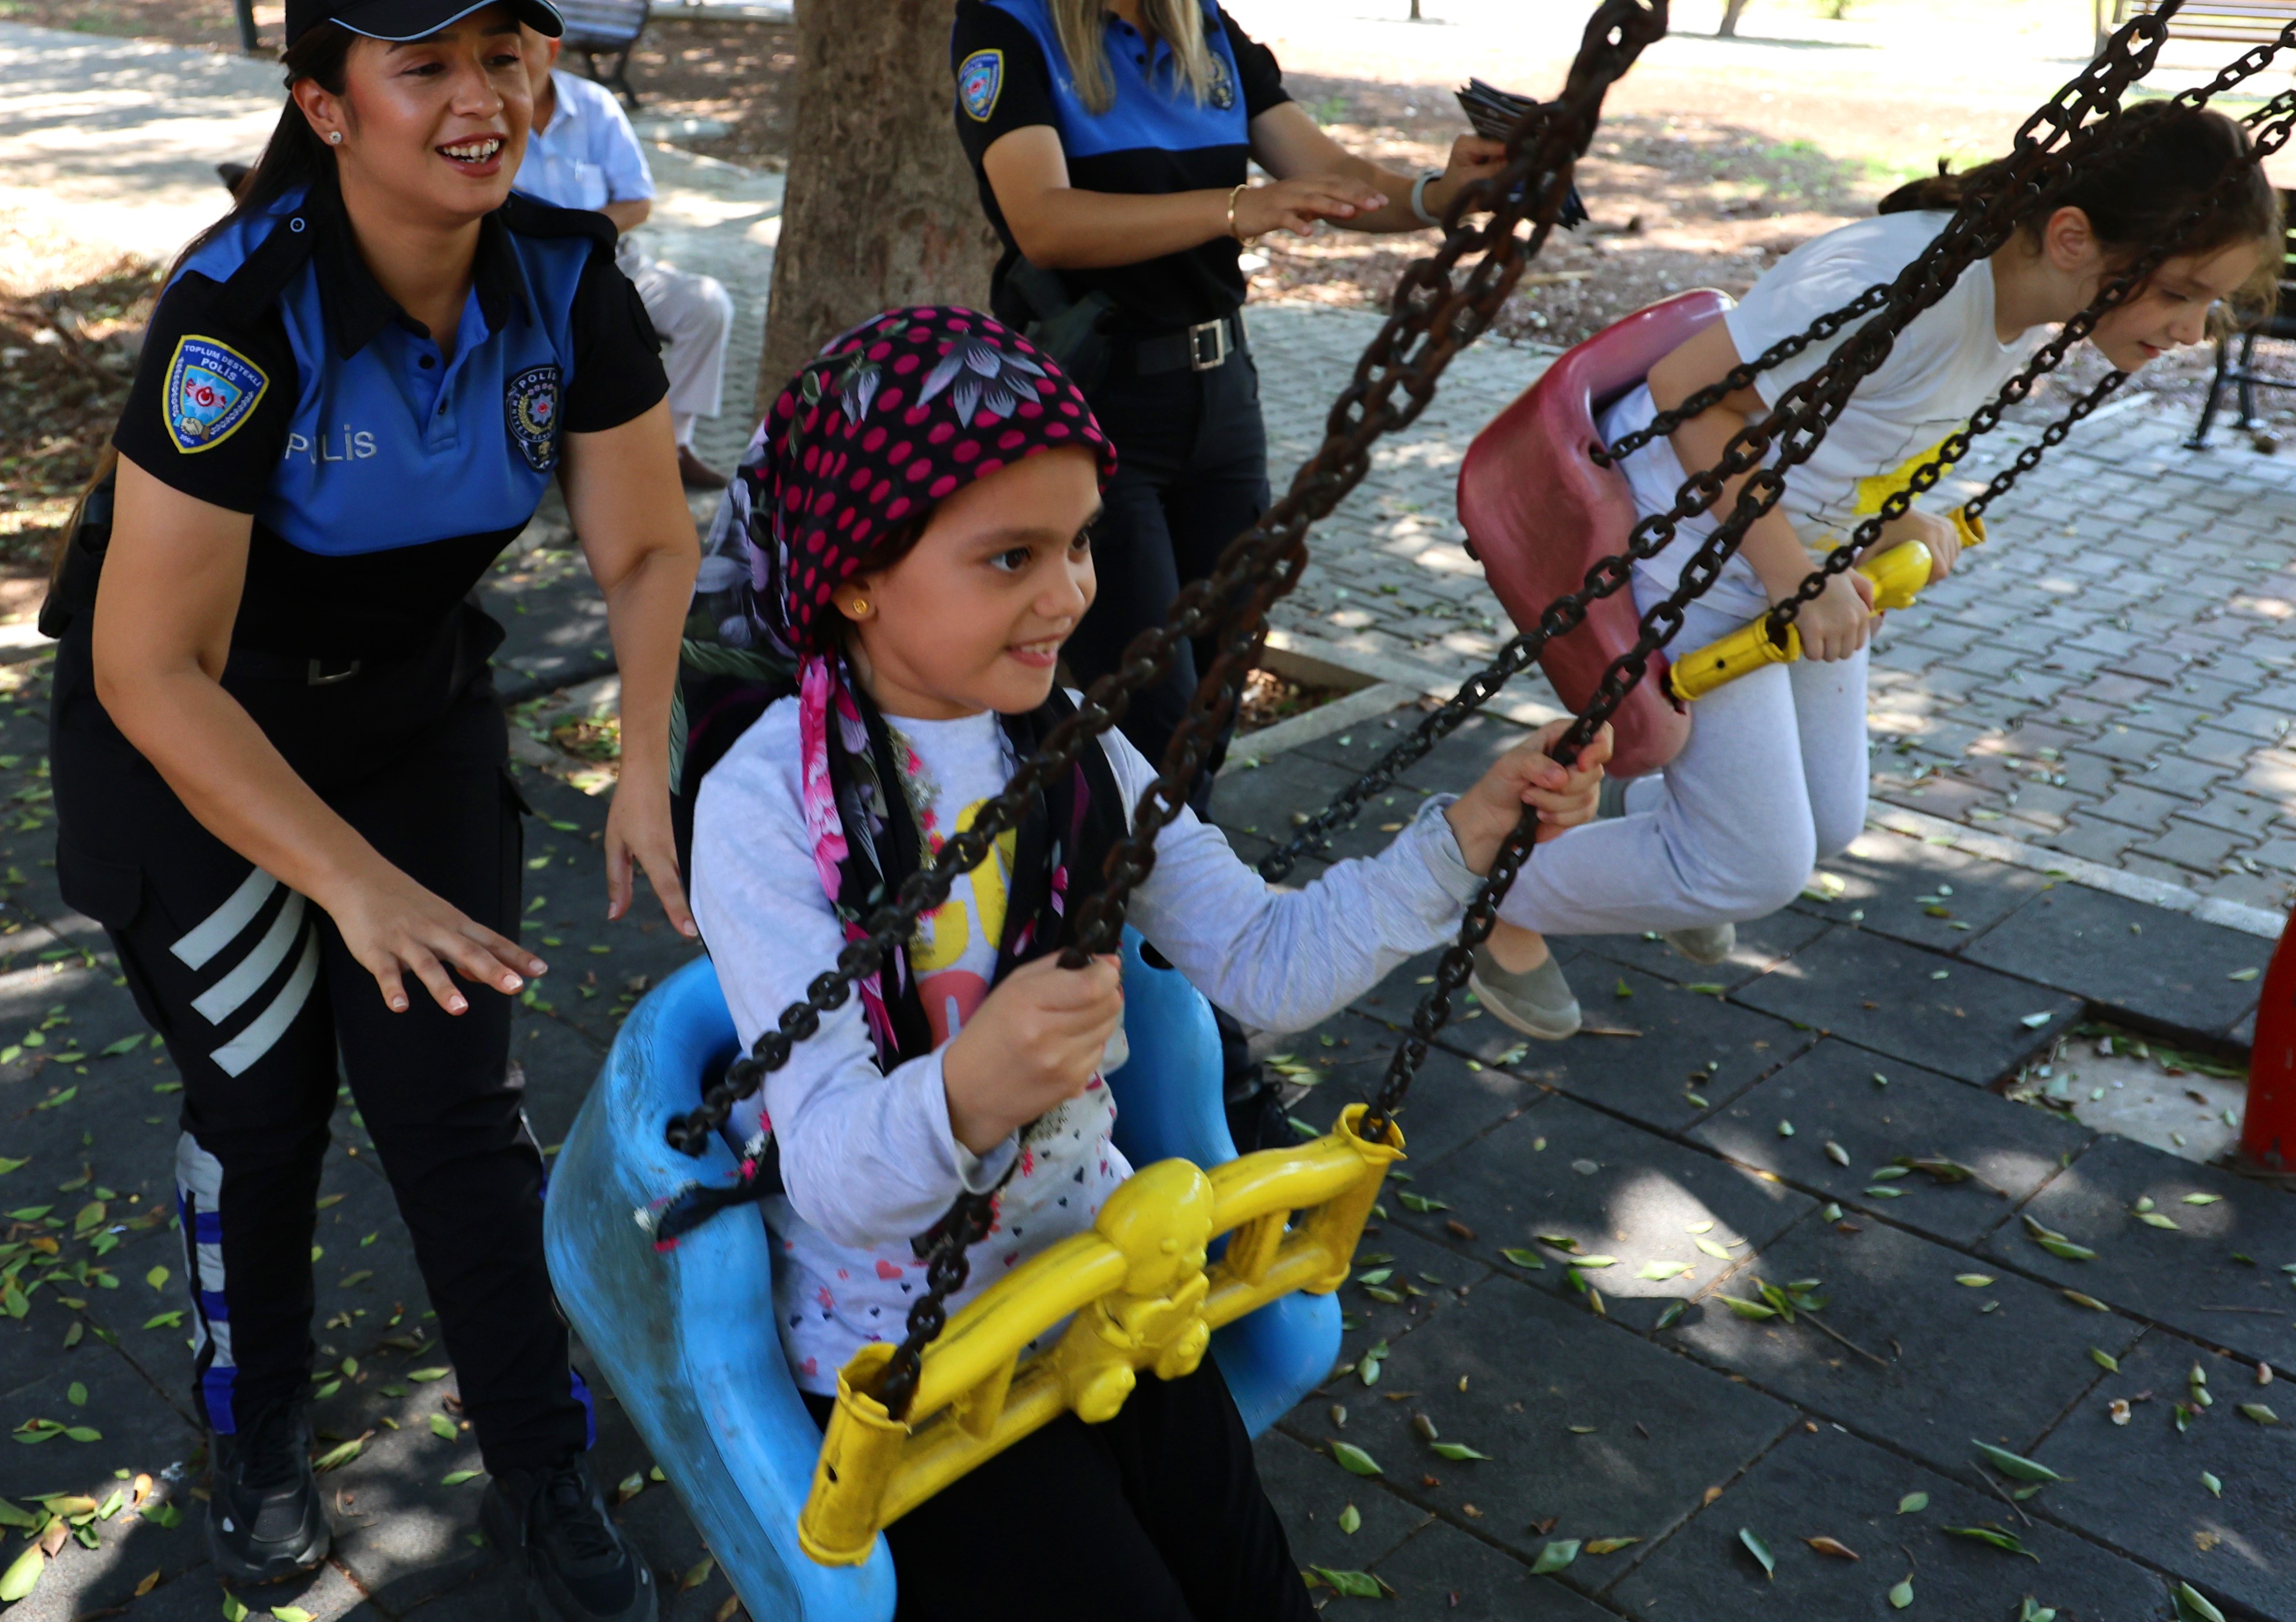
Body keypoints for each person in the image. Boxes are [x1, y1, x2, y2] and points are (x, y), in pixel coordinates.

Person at [686, 304, 1607, 1622]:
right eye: (1011, 555)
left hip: (1101, 1278)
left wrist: (1461, 837)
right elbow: (832, 1168)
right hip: (914, 1351)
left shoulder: (1074, 745)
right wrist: (969, 1087)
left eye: (1076, 543)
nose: (1067, 592)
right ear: (854, 570)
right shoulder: (771, 799)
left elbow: (1261, 957)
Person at [42, 0, 699, 1622]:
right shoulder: (239, 310)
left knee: (455, 1111)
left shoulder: (571, 283)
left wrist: (644, 752)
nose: (482, 92)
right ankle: (251, 1428)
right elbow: (153, 661)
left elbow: (644, 545)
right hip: (195, 732)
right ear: (327, 104)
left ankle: (543, 1457)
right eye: (424, 64)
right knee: (263, 1104)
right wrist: (351, 884)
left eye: (506, 50)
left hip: (406, 704)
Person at [953, 0, 1506, 1150]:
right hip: (1090, 422)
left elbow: (1325, 178)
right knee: (1153, 721)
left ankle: (1146, 1006)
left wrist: (1447, 189)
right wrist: (1239, 207)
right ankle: (1180, 1035)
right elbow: (1048, 226)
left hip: (1219, 405)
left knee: (1199, 728)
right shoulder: (1006, 28)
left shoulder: (1209, 26)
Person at [1465, 101, 2286, 1040]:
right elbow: (1690, 401)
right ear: (2069, 236)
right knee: (1755, 869)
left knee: (1826, 823)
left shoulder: (2022, 296)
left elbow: (1847, 431)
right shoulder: (1905, 282)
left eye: (2208, 303)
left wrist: (1899, 512)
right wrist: (1796, 581)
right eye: (2179, 293)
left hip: (1778, 546)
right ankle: (1488, 890)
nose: (2191, 330)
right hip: (1677, 540)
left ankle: (1681, 837)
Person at [510, 26, 741, 490]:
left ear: (552, 51)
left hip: (614, 267)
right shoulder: (484, 112)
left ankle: (671, 446)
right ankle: (558, 463)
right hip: (524, 280)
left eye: (521, 49)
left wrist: (578, 237)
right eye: (498, 54)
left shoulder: (594, 104)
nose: (511, 62)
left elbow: (637, 201)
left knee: (708, 305)